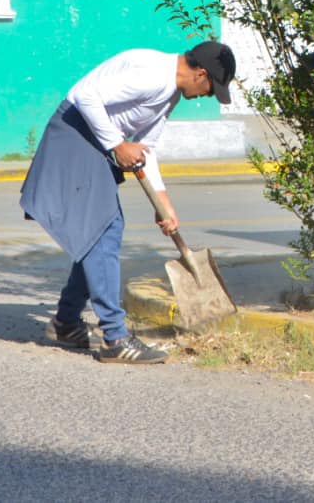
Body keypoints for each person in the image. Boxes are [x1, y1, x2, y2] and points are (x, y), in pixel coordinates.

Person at [20, 40, 236, 364]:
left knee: (96, 230)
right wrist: (117, 144)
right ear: (201, 74)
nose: (207, 95)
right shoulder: (153, 75)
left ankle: (66, 323)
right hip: (76, 133)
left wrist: (162, 202)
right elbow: (85, 96)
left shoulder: (171, 92)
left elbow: (145, 149)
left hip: (95, 140)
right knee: (105, 228)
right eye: (211, 88)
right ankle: (115, 338)